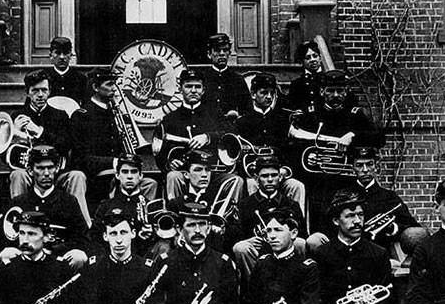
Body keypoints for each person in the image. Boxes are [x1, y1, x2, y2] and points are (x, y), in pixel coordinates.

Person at [288, 70, 385, 234]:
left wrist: (353, 136)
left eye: (340, 91)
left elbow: (379, 138)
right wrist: (308, 156)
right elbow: (293, 146)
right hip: (319, 181)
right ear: (322, 91)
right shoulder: (311, 114)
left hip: (347, 182)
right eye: (330, 91)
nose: (335, 95)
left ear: (346, 92)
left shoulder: (355, 115)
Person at [307, 146, 424, 258]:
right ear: (352, 168)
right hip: (344, 251)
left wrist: (392, 228)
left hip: (378, 252)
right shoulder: (342, 195)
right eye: (359, 165)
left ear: (376, 167)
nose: (365, 170)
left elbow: (413, 228)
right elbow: (326, 225)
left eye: (369, 164)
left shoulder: (389, 196)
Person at [8, 70, 92, 225]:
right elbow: (7, 156)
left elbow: (66, 145)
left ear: (50, 92)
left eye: (44, 90)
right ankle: (16, 223)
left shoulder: (60, 115)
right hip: (29, 173)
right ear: (27, 92)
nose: (40, 95)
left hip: (56, 172)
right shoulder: (17, 116)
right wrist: (15, 136)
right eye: (35, 91)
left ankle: (83, 226)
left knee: (77, 176)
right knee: (17, 175)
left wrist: (38, 131)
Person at [71, 67, 158, 202]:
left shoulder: (114, 112)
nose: (114, 89)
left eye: (115, 84)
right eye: (109, 84)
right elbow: (82, 158)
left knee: (149, 184)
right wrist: (115, 162)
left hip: (118, 174)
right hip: (96, 176)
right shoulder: (82, 116)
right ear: (95, 87)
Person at [0, 145, 90, 270]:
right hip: (27, 257)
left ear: (57, 168)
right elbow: (7, 238)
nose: (46, 173)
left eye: (50, 167)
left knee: (79, 257)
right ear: (30, 171)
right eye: (40, 168)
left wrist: (56, 249)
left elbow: (82, 237)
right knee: (6, 254)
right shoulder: (19, 202)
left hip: (57, 257)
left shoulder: (68, 201)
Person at [157, 68, 244, 201]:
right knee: (173, 176)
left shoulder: (215, 114)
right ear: (180, 89)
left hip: (212, 173)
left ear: (203, 90)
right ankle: (175, 216)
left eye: (197, 87)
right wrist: (170, 163)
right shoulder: (170, 118)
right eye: (188, 86)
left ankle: (227, 218)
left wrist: (208, 137)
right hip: (185, 173)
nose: (193, 91)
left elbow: (231, 133)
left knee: (235, 180)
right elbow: (160, 153)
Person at [234, 72, 306, 214]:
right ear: (253, 95)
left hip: (279, 174)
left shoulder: (283, 121)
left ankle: (298, 227)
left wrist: (285, 170)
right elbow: (238, 155)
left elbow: (292, 151)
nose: (268, 97)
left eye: (271, 93)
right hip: (254, 177)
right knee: (250, 184)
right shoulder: (242, 122)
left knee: (297, 186)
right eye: (264, 92)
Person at [232, 155, 308, 280]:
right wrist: (249, 241)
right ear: (256, 179)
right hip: (257, 253)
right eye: (265, 176)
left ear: (280, 177)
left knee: (300, 242)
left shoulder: (291, 204)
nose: (270, 179)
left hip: (286, 252)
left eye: (274, 175)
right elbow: (236, 237)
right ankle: (255, 288)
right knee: (241, 247)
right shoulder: (244, 205)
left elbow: (302, 234)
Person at [89, 153, 156, 256]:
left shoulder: (150, 207)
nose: (129, 176)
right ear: (117, 175)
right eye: (125, 172)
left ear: (141, 175)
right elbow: (94, 237)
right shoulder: (106, 206)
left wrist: (152, 234)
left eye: (134, 172)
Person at [200, 33, 251, 120]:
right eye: (217, 50)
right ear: (209, 54)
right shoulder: (203, 79)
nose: (222, 54)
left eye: (225, 50)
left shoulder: (238, 80)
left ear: (229, 53)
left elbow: (247, 110)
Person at [45, 36, 88, 105]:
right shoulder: (44, 77)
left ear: (71, 55)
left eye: (65, 53)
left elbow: (86, 104)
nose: (62, 57)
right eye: (58, 53)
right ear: (51, 55)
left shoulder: (80, 78)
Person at [287, 40, 323, 112]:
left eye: (315, 56)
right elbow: (292, 106)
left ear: (320, 58)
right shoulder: (296, 85)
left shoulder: (327, 80)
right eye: (308, 57)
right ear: (302, 61)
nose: (313, 60)